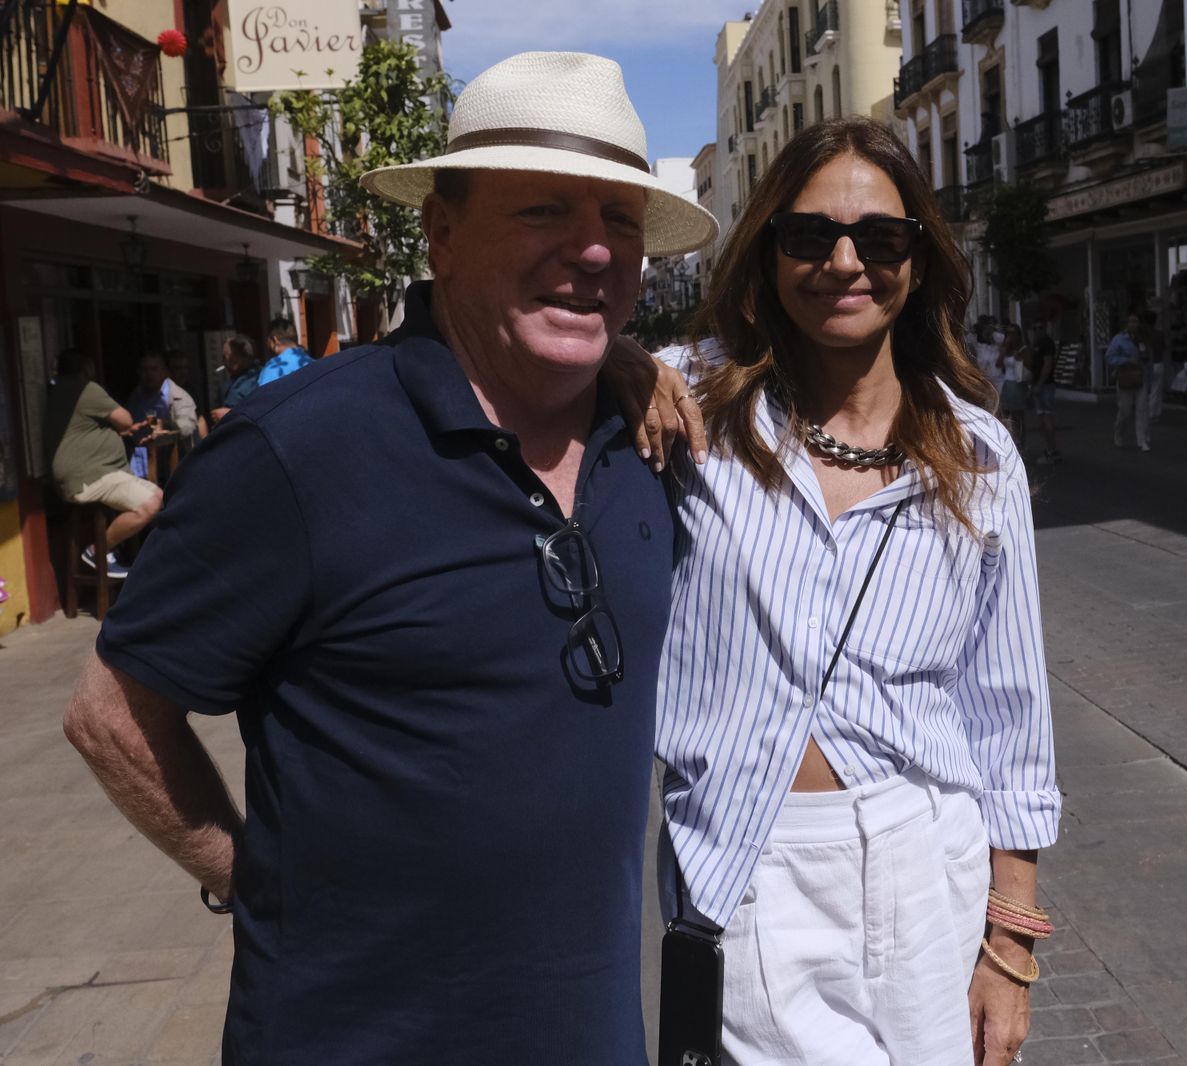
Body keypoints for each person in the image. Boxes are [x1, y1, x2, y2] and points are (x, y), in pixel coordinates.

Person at [61, 51, 717, 1065]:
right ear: (442, 236)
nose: (591, 251)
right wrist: (251, 878)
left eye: (617, 221)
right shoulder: (297, 450)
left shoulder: (651, 446)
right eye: (544, 211)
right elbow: (109, 713)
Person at [624, 117, 1058, 1066]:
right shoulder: (693, 409)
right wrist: (620, 365)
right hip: (744, 856)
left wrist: (1010, 946)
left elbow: (1009, 712)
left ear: (919, 257)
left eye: (881, 238)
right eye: (811, 235)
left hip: (925, 850)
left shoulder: (980, 455)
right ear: (770, 252)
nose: (845, 262)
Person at [42, 348, 162, 579]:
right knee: (149, 505)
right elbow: (125, 419)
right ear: (86, 369)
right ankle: (99, 551)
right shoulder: (86, 389)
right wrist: (124, 428)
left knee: (161, 498)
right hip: (91, 476)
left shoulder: (59, 390)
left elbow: (87, 427)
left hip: (90, 474)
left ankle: (134, 558)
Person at [1106, 312, 1150, 451]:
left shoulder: (1143, 339)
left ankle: (1142, 440)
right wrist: (1126, 360)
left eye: (1136, 321)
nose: (1133, 324)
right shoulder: (1119, 339)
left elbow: (1148, 356)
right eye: (1131, 321)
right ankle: (1118, 432)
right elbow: (1109, 357)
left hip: (1141, 377)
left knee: (1142, 409)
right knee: (1125, 410)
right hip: (1126, 377)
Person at [1029, 320, 1061, 464]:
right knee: (1042, 418)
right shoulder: (1036, 343)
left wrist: (1039, 384)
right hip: (1039, 384)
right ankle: (1050, 449)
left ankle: (1052, 450)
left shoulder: (1047, 343)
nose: (1037, 330)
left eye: (1040, 327)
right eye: (1035, 328)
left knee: (1047, 417)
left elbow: (1048, 364)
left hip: (1045, 385)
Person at [210, 334, 261, 424]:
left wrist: (231, 414)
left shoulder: (260, 378)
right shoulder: (232, 381)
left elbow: (262, 409)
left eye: (226, 357)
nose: (225, 362)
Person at [994, 322, 1030, 449]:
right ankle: (1009, 441)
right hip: (1006, 384)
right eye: (1008, 333)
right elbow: (998, 364)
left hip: (1017, 384)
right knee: (1004, 414)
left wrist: (1019, 357)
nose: (1010, 336)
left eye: (1013, 333)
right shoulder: (1006, 349)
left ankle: (1020, 442)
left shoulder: (1023, 349)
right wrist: (1005, 348)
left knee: (1017, 416)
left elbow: (1028, 366)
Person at [256, 317, 312, 385]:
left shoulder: (272, 369)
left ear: (275, 339)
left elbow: (263, 394)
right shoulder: (311, 362)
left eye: (267, 340)